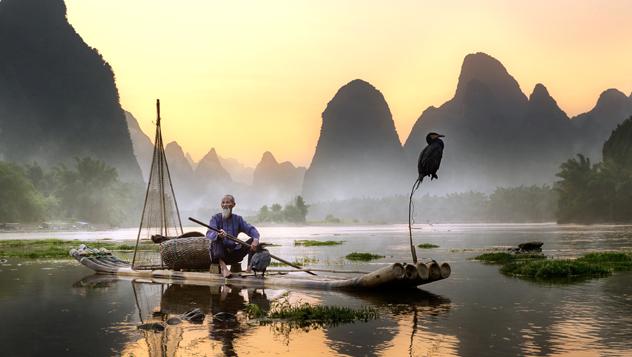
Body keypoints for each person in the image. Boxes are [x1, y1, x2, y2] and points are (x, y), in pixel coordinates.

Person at [206, 194, 260, 277]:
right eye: (223, 203)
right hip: (218, 256)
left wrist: (255, 240)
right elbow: (209, 233)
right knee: (216, 239)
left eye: (228, 202)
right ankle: (224, 267)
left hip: (233, 254)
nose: (225, 205)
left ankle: (249, 267)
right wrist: (218, 235)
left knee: (253, 240)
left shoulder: (238, 219)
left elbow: (251, 229)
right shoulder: (215, 218)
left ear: (233, 205)